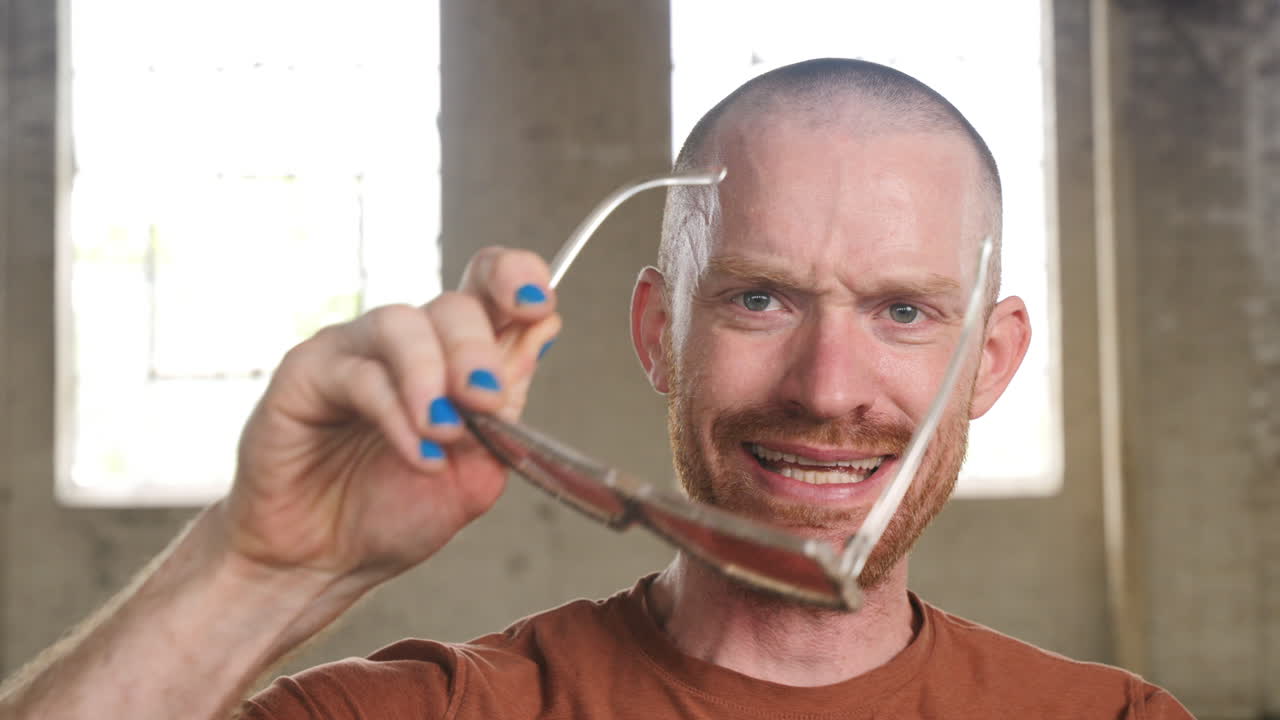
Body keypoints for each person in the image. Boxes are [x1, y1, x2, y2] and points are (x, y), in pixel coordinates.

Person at [0, 58, 1191, 719]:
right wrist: (256, 571)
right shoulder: (439, 716)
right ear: (657, 332)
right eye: (758, 299)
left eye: (901, 312)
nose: (830, 390)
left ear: (986, 362)